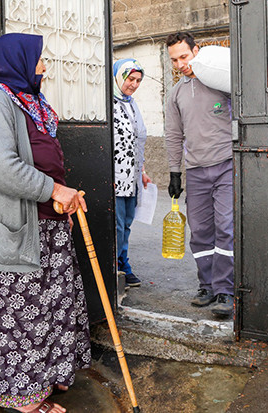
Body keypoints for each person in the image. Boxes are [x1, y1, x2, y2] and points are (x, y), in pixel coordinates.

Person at [0, 33, 91, 413]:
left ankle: (46, 374)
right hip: (7, 230)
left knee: (48, 307)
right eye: (39, 60)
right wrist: (55, 190)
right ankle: (21, 396)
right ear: (16, 61)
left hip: (43, 224)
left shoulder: (27, 101)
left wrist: (60, 196)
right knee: (16, 315)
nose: (44, 67)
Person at [164, 32, 234, 317]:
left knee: (226, 227)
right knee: (201, 232)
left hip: (226, 165)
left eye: (184, 56)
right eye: (174, 60)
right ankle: (206, 285)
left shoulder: (220, 81)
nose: (180, 64)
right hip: (195, 171)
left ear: (196, 51)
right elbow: (172, 134)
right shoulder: (176, 93)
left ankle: (225, 291)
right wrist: (174, 173)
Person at [112, 58, 152, 288]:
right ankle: (115, 266)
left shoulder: (131, 103)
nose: (134, 84)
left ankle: (123, 262)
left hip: (132, 176)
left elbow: (138, 140)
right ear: (119, 77)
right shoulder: (109, 104)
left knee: (127, 222)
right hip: (115, 175)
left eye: (138, 80)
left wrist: (142, 170)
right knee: (116, 224)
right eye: (130, 79)